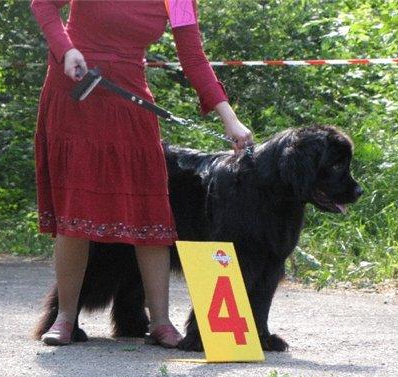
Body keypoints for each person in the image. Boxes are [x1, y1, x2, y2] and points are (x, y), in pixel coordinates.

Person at [31, 0, 254, 348]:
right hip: (74, 93)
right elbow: (43, 5)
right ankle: (65, 318)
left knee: (152, 210)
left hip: (130, 98)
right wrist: (66, 50)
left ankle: (161, 323)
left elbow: (193, 57)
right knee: (76, 208)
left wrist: (230, 119)